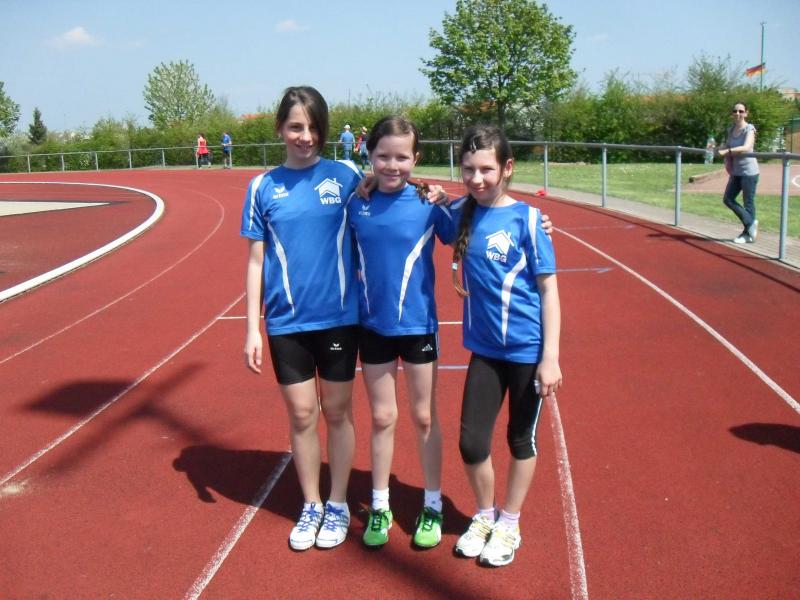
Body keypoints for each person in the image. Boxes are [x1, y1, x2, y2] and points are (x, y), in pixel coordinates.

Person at [241, 86, 364, 551]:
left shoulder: (347, 175)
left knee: (337, 412)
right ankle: (311, 503)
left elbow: (394, 194)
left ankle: (338, 503)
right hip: (286, 323)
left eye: (314, 127)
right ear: (280, 129)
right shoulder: (262, 187)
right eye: (296, 127)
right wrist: (252, 328)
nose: (305, 136)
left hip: (338, 319)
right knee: (301, 413)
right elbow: (256, 261)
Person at [450, 125, 562, 568]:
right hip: (485, 351)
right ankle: (484, 515)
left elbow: (549, 291)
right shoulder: (460, 213)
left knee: (520, 438)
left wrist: (550, 358)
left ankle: (509, 522)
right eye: (468, 169)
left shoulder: (529, 221)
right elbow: (408, 197)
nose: (476, 178)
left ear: (507, 168)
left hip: (527, 353)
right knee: (471, 442)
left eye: (486, 169)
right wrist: (366, 181)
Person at [348, 116, 456, 549]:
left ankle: (432, 505)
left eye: (402, 157)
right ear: (369, 155)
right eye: (383, 156)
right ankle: (380, 505)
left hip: (418, 327)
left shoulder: (429, 201)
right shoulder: (356, 202)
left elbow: (475, 227)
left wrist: (537, 223)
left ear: (416, 158)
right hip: (373, 326)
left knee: (424, 417)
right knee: (382, 418)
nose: (392, 166)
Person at [718, 102, 759, 244]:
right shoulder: (731, 129)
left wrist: (727, 151)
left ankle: (747, 233)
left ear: (746, 113)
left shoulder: (749, 129)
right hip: (736, 171)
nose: (737, 113)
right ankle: (751, 223)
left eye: (741, 111)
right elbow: (727, 145)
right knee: (728, 199)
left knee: (748, 202)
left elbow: (746, 147)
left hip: (749, 171)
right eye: (735, 111)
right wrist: (717, 148)